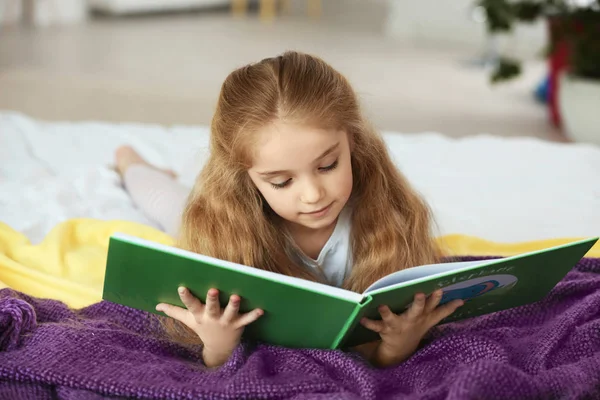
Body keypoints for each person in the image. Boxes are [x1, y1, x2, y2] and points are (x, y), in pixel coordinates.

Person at [115, 51, 463, 369]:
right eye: (281, 182)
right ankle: (129, 160)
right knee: (168, 203)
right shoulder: (221, 226)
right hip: (222, 214)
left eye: (327, 165)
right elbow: (213, 365)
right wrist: (218, 347)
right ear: (245, 178)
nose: (313, 195)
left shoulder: (389, 211)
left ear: (352, 140)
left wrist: (398, 345)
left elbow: (379, 356)